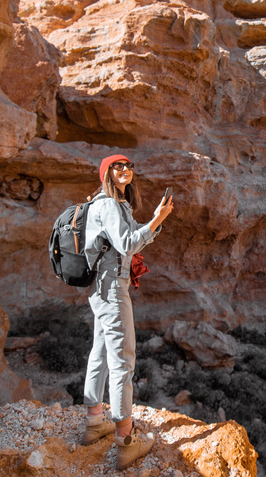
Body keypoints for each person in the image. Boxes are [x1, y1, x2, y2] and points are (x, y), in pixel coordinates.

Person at [80, 153, 173, 469]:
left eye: (130, 165)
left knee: (101, 351)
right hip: (112, 289)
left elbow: (132, 239)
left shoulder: (114, 205)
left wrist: (154, 221)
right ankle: (125, 441)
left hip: (102, 288)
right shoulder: (107, 204)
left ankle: (95, 423)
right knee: (122, 361)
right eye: (118, 166)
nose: (126, 169)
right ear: (107, 173)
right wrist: (157, 220)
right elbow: (128, 243)